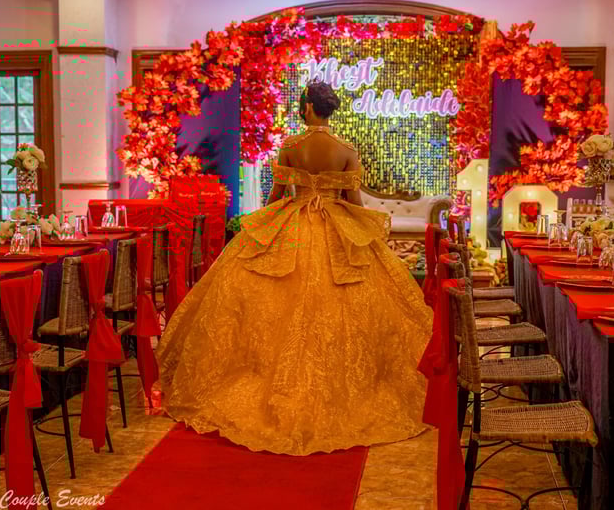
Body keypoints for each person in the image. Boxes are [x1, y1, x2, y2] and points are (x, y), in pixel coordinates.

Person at [156, 80, 434, 456]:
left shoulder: (290, 146)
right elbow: (353, 200)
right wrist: (359, 231)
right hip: (335, 226)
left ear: (308, 107)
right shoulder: (347, 150)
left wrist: (264, 226)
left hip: (293, 225)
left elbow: (276, 196)